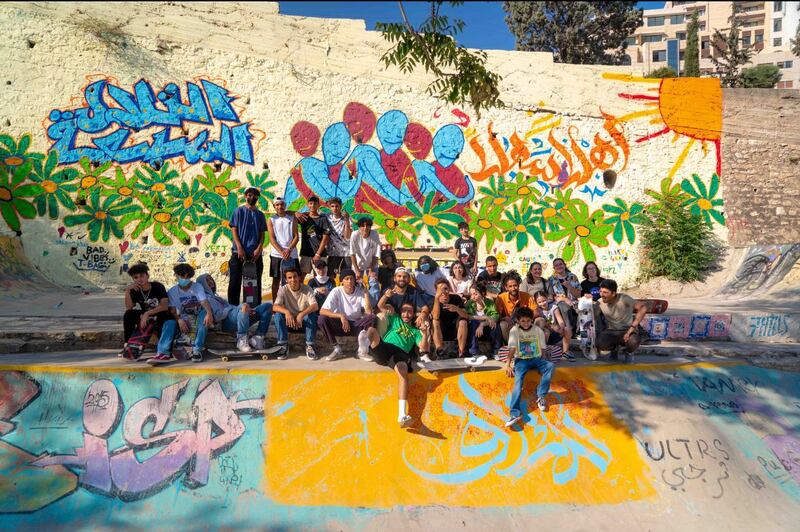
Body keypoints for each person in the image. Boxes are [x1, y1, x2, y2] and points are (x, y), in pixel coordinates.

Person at [366, 301, 429, 427]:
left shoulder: (415, 331)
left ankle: (402, 415)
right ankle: (363, 347)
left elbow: (423, 347)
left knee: (403, 370)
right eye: (404, 311)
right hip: (386, 347)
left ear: (413, 315)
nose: (406, 314)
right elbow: (381, 306)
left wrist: (425, 333)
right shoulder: (395, 319)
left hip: (400, 353)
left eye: (409, 311)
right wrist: (387, 296)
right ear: (401, 313)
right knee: (372, 330)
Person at [148, 264, 215, 365]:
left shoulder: (197, 287)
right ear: (176, 275)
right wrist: (179, 320)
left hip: (198, 317)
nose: (184, 279)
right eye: (182, 276)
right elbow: (173, 310)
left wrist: (209, 313)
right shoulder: (173, 291)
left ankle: (197, 350)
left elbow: (203, 301)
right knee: (169, 323)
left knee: (204, 314)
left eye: (187, 277)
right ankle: (163, 353)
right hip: (183, 318)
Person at [196, 274, 273, 352]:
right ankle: (241, 340)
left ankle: (258, 337)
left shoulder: (217, 298)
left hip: (237, 318)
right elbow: (217, 316)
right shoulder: (206, 299)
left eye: (211, 279)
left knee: (267, 306)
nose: (211, 281)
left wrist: (248, 310)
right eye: (207, 280)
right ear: (202, 284)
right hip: (225, 323)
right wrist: (239, 308)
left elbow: (231, 307)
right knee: (244, 306)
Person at [504, 307, 554, 427]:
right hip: (521, 361)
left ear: (532, 320)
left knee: (550, 366)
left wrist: (542, 365)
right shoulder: (514, 331)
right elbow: (511, 348)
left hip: (536, 359)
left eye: (528, 321)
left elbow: (542, 349)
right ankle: (515, 413)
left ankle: (541, 396)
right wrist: (508, 364)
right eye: (523, 321)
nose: (526, 323)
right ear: (518, 321)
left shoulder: (538, 331)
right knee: (518, 383)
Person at [319, 269, 377, 362]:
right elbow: (322, 311)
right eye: (346, 278)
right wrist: (341, 316)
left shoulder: (360, 291)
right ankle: (336, 349)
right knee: (322, 319)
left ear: (355, 280)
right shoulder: (336, 291)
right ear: (342, 281)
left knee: (372, 317)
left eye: (351, 278)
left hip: (355, 325)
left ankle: (362, 351)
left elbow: (369, 312)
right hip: (340, 325)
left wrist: (365, 292)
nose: (349, 281)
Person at [590, 279, 648, 362]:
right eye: (601, 292)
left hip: (627, 330)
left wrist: (632, 328)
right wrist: (587, 302)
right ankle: (614, 350)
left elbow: (643, 307)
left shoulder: (624, 298)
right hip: (611, 331)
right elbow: (592, 317)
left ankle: (629, 352)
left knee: (634, 341)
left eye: (605, 292)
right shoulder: (599, 302)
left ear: (613, 293)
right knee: (599, 343)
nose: (602, 295)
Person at [228, 186, 267, 306]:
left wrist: (259, 249)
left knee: (255, 284)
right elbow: (234, 230)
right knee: (234, 282)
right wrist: (239, 248)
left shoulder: (260, 215)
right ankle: (233, 309)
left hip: (255, 254)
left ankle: (254, 308)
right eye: (250, 195)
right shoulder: (238, 211)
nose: (252, 197)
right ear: (246, 196)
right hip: (238, 253)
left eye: (255, 195)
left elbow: (262, 234)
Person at [122, 262, 171, 357]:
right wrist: (127, 291)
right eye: (135, 277)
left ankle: (161, 344)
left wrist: (146, 314)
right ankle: (128, 344)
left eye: (141, 276)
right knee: (129, 314)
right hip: (147, 316)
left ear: (147, 275)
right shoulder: (134, 290)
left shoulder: (157, 286)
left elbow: (164, 306)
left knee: (164, 315)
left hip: (160, 314)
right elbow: (129, 307)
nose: (139, 279)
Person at [272, 266, 319, 360]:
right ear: (286, 279)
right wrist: (286, 312)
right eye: (289, 277)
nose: (293, 279)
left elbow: (315, 306)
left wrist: (301, 314)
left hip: (303, 322)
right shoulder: (283, 289)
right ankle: (283, 345)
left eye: (295, 276)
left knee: (312, 315)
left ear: (299, 277)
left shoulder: (307, 288)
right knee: (278, 315)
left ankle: (310, 346)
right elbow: (275, 306)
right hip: (289, 322)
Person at [267, 196, 299, 301]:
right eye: (277, 205)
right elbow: (272, 238)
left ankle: (292, 303)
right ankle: (275, 304)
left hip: (292, 255)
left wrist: (289, 249)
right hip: (277, 255)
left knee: (293, 280)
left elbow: (296, 236)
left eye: (282, 204)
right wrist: (281, 251)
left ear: (285, 205)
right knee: (276, 280)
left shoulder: (292, 218)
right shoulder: (271, 220)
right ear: (274, 206)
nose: (280, 206)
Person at [431, 278, 469, 359]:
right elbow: (435, 316)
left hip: (455, 328)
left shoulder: (456, 298)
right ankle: (440, 351)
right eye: (440, 289)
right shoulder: (434, 300)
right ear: (436, 291)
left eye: (445, 288)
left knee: (463, 321)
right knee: (435, 321)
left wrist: (457, 309)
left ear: (449, 289)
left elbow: (466, 316)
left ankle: (461, 352)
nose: (443, 292)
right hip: (440, 329)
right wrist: (437, 299)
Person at [496, 271, 538, 343]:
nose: (513, 288)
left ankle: (534, 345)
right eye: (510, 286)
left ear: (519, 285)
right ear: (506, 287)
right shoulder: (501, 298)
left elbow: (536, 312)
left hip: (525, 321)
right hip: (510, 323)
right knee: (502, 325)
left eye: (515, 285)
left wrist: (525, 319)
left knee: (540, 320)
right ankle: (510, 346)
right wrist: (504, 318)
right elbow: (496, 315)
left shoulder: (526, 296)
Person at [464, 281, 502, 359]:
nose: (473, 297)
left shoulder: (489, 303)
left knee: (495, 325)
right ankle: (473, 352)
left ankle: (496, 350)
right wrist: (485, 317)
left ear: (483, 293)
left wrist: (482, 324)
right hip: (473, 332)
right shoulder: (470, 303)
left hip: (486, 331)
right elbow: (469, 316)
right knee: (474, 322)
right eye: (471, 294)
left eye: (475, 294)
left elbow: (495, 317)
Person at [533, 291, 574, 361]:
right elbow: (543, 324)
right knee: (546, 332)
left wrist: (561, 328)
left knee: (567, 329)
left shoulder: (553, 307)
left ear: (547, 298)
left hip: (555, 333)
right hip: (544, 336)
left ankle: (565, 352)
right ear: (536, 303)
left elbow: (560, 320)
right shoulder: (538, 311)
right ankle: (543, 352)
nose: (542, 303)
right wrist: (552, 327)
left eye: (544, 301)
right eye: (539, 302)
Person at [298, 196, 331, 282]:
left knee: (320, 278)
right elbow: (285, 213)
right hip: (306, 253)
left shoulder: (323, 219)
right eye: (310, 203)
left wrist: (318, 254)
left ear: (318, 205)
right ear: (307, 205)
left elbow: (325, 238)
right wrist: (295, 213)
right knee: (301, 277)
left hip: (320, 254)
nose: (312, 205)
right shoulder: (303, 217)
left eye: (315, 204)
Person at [349, 216, 381, 301]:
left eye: (368, 226)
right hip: (358, 265)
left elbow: (376, 254)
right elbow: (352, 254)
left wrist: (371, 270)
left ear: (370, 227)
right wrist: (356, 270)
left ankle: (373, 306)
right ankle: (358, 305)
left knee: (374, 283)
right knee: (356, 285)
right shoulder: (354, 235)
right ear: (359, 227)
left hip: (372, 264)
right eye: (362, 226)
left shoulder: (375, 234)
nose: (365, 228)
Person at [547, 257, 582, 332]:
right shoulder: (551, 279)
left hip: (574, 301)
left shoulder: (573, 277)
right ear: (554, 268)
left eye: (561, 264)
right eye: (556, 265)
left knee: (583, 309)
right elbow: (551, 296)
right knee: (564, 307)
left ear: (564, 265)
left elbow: (578, 294)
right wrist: (565, 299)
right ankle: (569, 330)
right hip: (560, 302)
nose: (559, 266)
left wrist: (569, 286)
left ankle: (580, 331)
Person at [325, 197, 352, 276]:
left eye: (337, 206)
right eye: (332, 206)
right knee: (331, 275)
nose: (335, 208)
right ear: (330, 207)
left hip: (346, 251)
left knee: (346, 275)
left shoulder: (347, 218)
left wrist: (346, 220)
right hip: (333, 252)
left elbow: (347, 236)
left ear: (340, 206)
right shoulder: (327, 217)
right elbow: (313, 214)